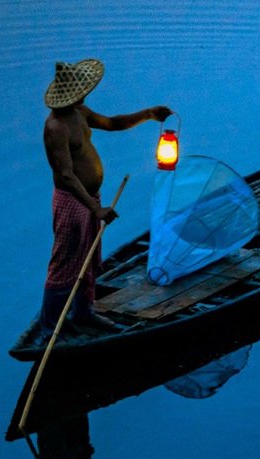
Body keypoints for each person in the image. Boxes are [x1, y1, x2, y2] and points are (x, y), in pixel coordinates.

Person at [41, 59, 173, 331]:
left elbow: (112, 123)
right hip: (73, 201)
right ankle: (50, 326)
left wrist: (148, 114)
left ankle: (83, 312)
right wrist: (94, 208)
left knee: (88, 256)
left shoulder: (79, 111)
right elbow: (65, 174)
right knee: (65, 260)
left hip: (90, 197)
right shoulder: (56, 127)